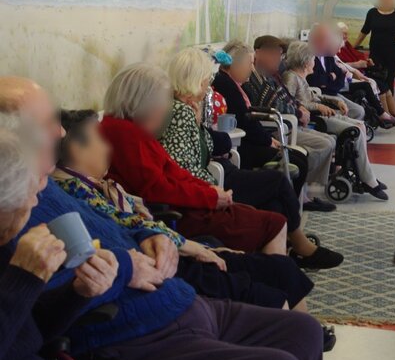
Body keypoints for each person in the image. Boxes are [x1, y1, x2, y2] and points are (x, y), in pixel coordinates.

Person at [1, 75, 324, 360]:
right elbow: (45, 305)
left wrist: (150, 234)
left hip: (177, 300)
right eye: (47, 122)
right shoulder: (17, 205)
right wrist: (126, 268)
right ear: (11, 137)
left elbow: (114, 221)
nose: (61, 132)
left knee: (305, 331)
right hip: (134, 332)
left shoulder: (50, 184)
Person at [53, 109, 318, 309]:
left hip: (173, 245)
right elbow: (136, 223)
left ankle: (312, 350)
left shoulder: (97, 185)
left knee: (278, 260)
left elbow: (173, 178)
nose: (108, 146)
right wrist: (199, 246)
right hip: (166, 264)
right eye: (99, 139)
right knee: (272, 278)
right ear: (76, 147)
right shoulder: (77, 192)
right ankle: (304, 346)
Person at [162, 48, 343, 268]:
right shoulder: (182, 112)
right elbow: (185, 166)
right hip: (211, 183)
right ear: (195, 80)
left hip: (216, 172)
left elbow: (210, 145)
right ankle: (299, 245)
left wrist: (202, 124)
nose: (209, 85)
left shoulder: (187, 108)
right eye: (206, 80)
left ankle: (281, 258)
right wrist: (213, 189)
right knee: (276, 180)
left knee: (275, 202)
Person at [100, 64, 290, 256]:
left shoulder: (130, 130)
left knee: (271, 209)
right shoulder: (126, 134)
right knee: (275, 222)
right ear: (145, 105)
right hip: (176, 215)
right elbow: (157, 188)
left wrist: (209, 191)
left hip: (185, 204)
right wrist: (210, 196)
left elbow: (173, 170)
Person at [0, 113, 119, 360]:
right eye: (30, 191)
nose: (35, 202)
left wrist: (77, 292)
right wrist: (24, 279)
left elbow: (27, 332)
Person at [283, 42, 388, 201]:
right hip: (315, 117)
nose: (315, 62)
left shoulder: (300, 77)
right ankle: (368, 178)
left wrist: (334, 101)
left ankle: (366, 174)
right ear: (305, 62)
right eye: (313, 59)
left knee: (360, 125)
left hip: (322, 112)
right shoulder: (291, 77)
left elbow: (314, 96)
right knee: (355, 130)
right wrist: (317, 105)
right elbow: (290, 103)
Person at [247, 35, 337, 210]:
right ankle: (303, 194)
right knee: (323, 145)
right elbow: (272, 105)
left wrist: (298, 109)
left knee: (330, 141)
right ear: (258, 53)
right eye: (275, 54)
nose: (279, 59)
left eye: (280, 54)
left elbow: (285, 99)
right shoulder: (256, 79)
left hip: (288, 122)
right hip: (276, 128)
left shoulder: (269, 77)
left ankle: (306, 191)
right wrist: (298, 111)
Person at [212, 40, 283, 170]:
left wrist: (268, 139)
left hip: (243, 140)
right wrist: (268, 141)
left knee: (292, 157)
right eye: (250, 63)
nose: (252, 68)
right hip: (237, 146)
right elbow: (245, 121)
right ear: (235, 65)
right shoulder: (226, 85)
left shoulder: (231, 83)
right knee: (290, 160)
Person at [307, 23, 366, 121]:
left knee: (359, 111)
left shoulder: (328, 56)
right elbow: (315, 81)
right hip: (320, 96)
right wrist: (331, 78)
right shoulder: (309, 56)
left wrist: (329, 82)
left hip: (333, 93)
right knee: (350, 112)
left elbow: (340, 79)